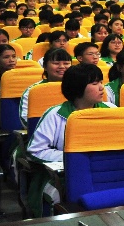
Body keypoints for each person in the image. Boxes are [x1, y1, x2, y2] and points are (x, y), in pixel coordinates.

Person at [25, 63, 115, 216]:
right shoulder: (55, 114)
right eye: (95, 83)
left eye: (101, 82)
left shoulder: (111, 110)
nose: (102, 88)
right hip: (66, 175)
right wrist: (73, 158)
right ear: (77, 87)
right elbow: (35, 150)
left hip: (106, 170)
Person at [20, 47, 71, 123]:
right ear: (45, 66)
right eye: (56, 63)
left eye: (66, 63)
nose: (62, 67)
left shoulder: (80, 88)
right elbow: (25, 118)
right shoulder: (33, 90)